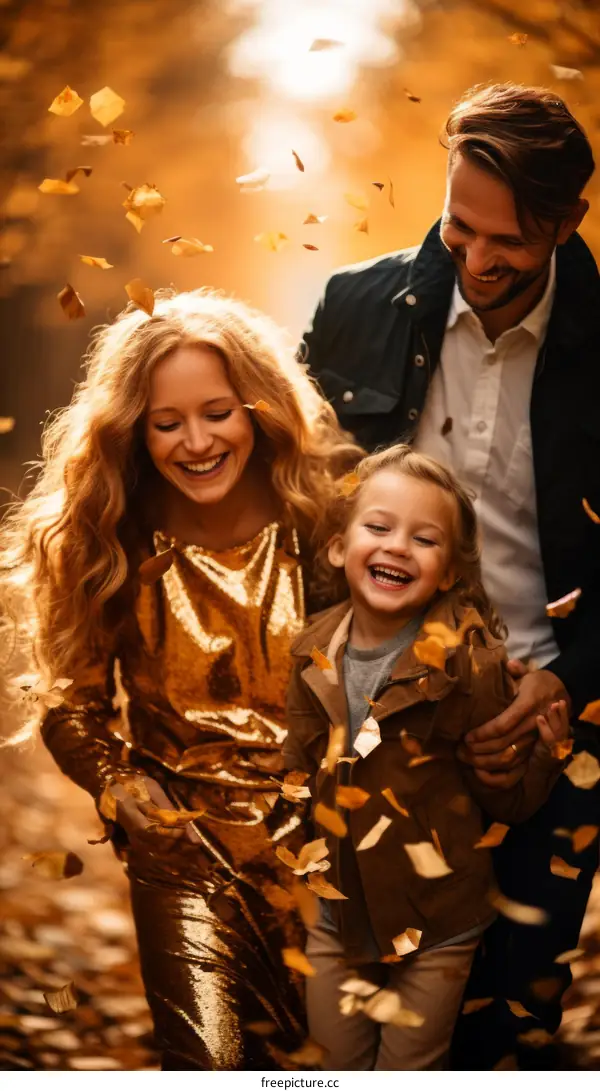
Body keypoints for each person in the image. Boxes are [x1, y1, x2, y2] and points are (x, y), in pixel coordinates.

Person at [299, 81, 600, 1068]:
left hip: (549, 726)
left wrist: (569, 679)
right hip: (377, 729)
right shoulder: (354, 308)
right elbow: (304, 518)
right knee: (352, 1015)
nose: (472, 262)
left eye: (504, 243)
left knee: (509, 1017)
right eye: (455, 228)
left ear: (567, 221)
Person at [0, 288, 360, 1071]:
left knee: (325, 1067)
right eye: (168, 422)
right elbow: (69, 700)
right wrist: (119, 784)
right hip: (184, 851)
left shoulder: (321, 511)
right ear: (136, 427)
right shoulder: (111, 531)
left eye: (217, 412)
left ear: (257, 408)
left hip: (331, 844)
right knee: (210, 1063)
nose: (196, 441)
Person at [283, 444, 569, 1071]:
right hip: (337, 917)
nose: (397, 546)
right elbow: (296, 776)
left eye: (424, 538)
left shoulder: (472, 665)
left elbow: (505, 794)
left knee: (409, 1069)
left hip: (438, 926)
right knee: (329, 1069)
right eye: (378, 527)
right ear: (338, 546)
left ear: (448, 574)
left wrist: (545, 757)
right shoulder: (308, 654)